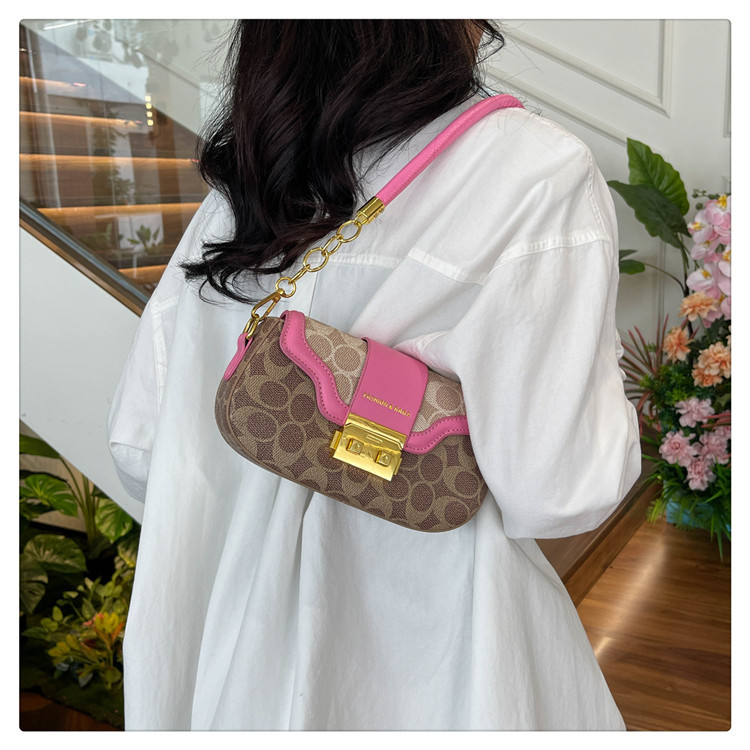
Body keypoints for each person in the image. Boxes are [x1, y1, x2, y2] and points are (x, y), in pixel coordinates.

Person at [107, 20, 641, 730]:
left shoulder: (247, 185)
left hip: (227, 647)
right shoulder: (536, 173)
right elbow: (558, 491)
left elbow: (139, 446)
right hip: (435, 655)